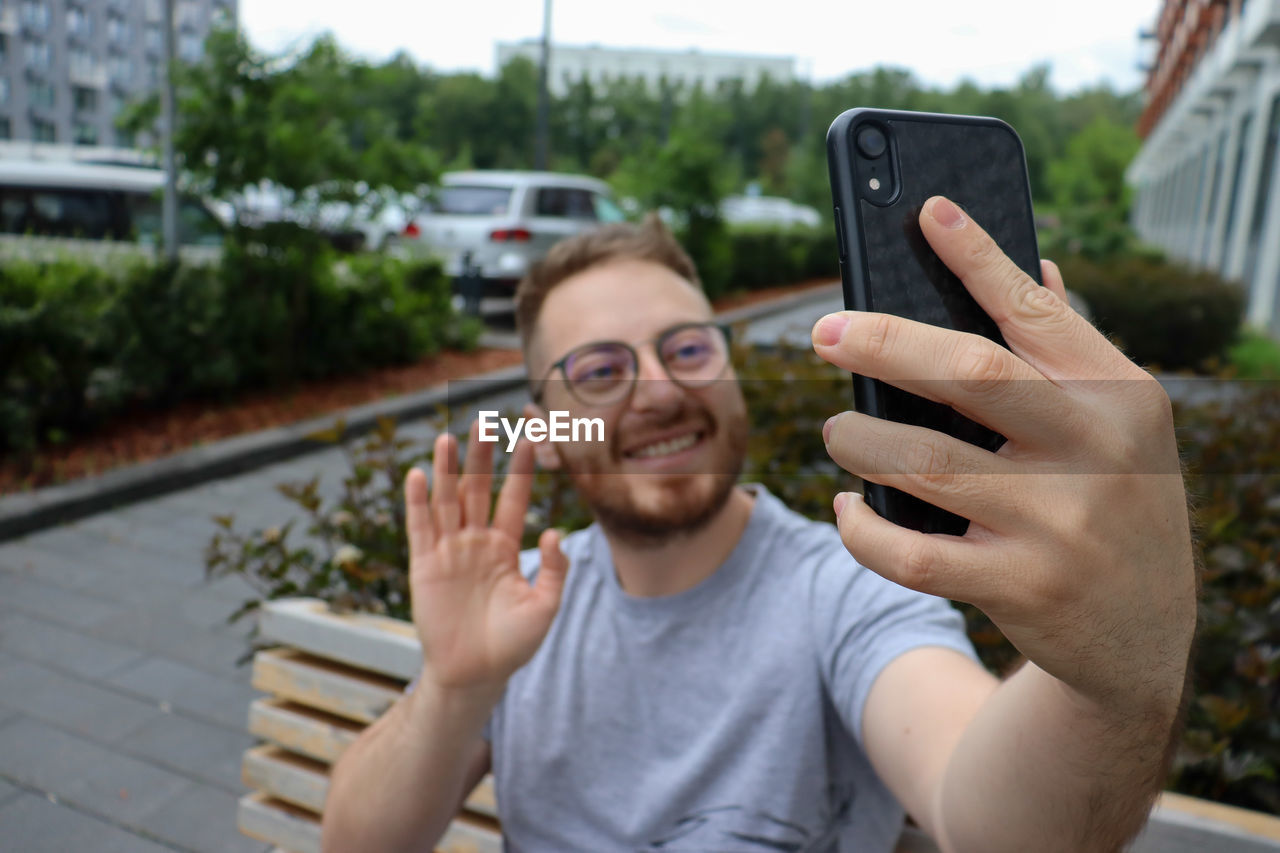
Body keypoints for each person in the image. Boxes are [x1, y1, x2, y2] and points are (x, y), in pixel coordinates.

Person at [321, 197, 1198, 852]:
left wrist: (1113, 670)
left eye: (688, 349)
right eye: (598, 369)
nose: (659, 388)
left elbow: (993, 820)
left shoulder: (843, 588)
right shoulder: (514, 611)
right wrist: (453, 687)